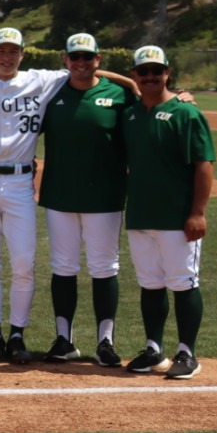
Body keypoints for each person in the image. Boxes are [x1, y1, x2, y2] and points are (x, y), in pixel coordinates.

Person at [0, 27, 70, 363]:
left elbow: (86, 70)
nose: (6, 57)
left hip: (20, 182)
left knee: (23, 261)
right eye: (0, 51)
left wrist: (137, 84)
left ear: (23, 54)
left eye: (13, 51)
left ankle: (17, 334)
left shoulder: (41, 80)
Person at [38, 33, 133, 366]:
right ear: (65, 60)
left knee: (104, 268)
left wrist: (183, 96)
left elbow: (148, 111)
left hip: (105, 197)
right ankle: (64, 340)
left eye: (87, 58)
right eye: (74, 58)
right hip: (60, 194)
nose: (81, 63)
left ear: (99, 59)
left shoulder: (120, 96)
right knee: (63, 267)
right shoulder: (51, 94)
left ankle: (105, 342)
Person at [122, 46, 215, 380]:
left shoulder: (186, 114)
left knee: (183, 283)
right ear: (134, 75)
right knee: (150, 284)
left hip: (177, 217)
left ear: (168, 73)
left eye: (156, 71)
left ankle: (187, 353)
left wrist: (198, 213)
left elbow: (203, 165)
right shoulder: (130, 114)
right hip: (141, 215)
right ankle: (154, 350)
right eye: (143, 71)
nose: (150, 77)